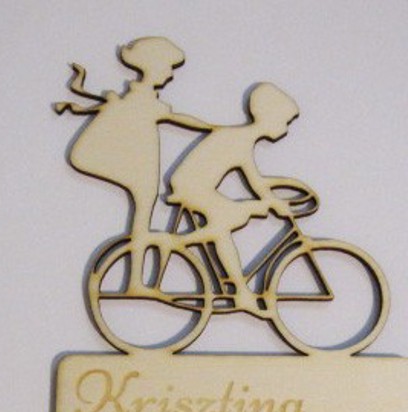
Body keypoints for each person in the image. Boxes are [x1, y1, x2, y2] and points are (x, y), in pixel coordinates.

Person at [56, 37, 212, 289]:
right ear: (155, 66)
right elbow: (180, 119)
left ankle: (135, 280)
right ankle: (135, 281)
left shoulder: (137, 97)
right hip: (137, 161)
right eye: (168, 67)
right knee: (144, 210)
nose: (170, 74)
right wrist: (214, 127)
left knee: (144, 211)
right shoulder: (146, 101)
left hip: (139, 159)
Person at [167, 82, 300, 311]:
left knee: (232, 220)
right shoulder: (240, 140)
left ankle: (239, 291)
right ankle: (181, 244)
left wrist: (270, 198)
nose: (285, 128)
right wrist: (272, 203)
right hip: (191, 187)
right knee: (232, 218)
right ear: (268, 117)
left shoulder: (240, 137)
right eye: (284, 122)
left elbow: (255, 179)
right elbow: (254, 181)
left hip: (194, 185)